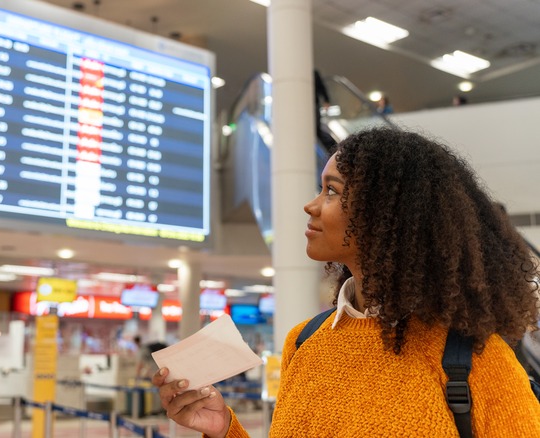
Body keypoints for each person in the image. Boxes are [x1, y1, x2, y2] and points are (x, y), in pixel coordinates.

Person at [152, 127, 540, 437]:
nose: (311, 205)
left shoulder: (474, 360)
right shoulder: (304, 343)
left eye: (332, 190)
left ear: (385, 215)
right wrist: (223, 431)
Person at [314, 69, 337, 153]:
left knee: (316, 129)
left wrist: (326, 101)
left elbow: (321, 87)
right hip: (303, 107)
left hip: (313, 105)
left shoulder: (313, 73)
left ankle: (334, 149)